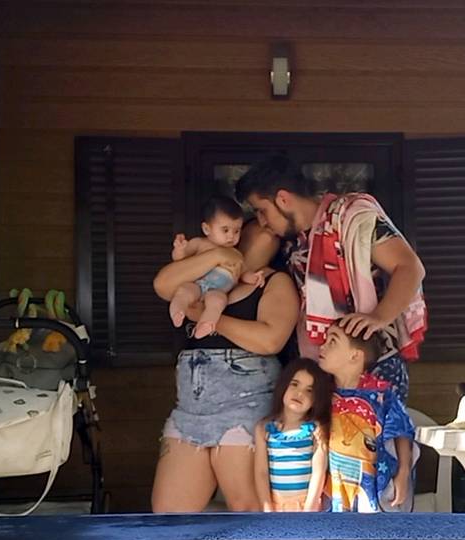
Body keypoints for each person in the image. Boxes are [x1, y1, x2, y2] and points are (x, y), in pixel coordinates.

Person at [235, 155, 427, 404]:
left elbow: (410, 267)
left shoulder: (350, 216)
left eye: (262, 211)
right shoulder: (290, 241)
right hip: (318, 368)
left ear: (283, 199)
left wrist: (379, 316)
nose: (261, 221)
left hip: (371, 361)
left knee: (373, 430)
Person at [151, 224, 299, 513]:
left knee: (246, 508)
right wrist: (218, 254)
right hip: (192, 407)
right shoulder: (207, 271)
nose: (266, 228)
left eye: (273, 229)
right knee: (169, 512)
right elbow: (163, 285)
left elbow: (270, 339)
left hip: (245, 404)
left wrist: (208, 318)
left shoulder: (274, 280)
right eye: (258, 222)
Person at [317, 321, 418, 512]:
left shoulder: (381, 394)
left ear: (355, 356)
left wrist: (403, 473)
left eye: (333, 341)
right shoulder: (320, 394)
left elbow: (402, 431)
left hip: (373, 486)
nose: (322, 346)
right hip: (334, 488)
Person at [168, 196, 265, 339]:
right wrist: (180, 249)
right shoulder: (200, 243)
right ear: (207, 229)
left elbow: (242, 272)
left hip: (218, 291)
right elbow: (179, 261)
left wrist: (253, 277)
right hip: (197, 284)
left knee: (218, 302)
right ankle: (177, 312)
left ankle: (206, 324)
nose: (231, 236)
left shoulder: (236, 254)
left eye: (236, 231)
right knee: (183, 292)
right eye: (225, 230)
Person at [254, 357, 334, 512]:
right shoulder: (264, 429)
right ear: (283, 385)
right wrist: (267, 508)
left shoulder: (316, 430)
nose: (299, 393)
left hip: (307, 507)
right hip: (276, 507)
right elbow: (261, 473)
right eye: (295, 384)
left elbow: (318, 472)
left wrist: (309, 510)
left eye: (309, 390)